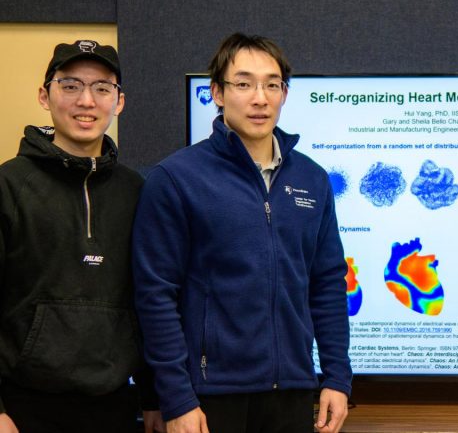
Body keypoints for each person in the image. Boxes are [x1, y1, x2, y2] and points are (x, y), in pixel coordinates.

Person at [132, 33, 352, 433]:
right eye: (244, 83)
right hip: (208, 397)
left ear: (284, 93)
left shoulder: (313, 179)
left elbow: (328, 285)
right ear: (217, 92)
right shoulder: (177, 179)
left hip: (293, 392)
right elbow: (155, 295)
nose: (260, 98)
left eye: (272, 84)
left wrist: (336, 376)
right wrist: (176, 397)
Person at [0, 40, 164, 433]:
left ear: (119, 101)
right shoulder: (9, 185)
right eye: (70, 85)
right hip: (23, 408)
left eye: (102, 88)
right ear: (45, 95)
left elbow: (147, 302)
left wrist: (154, 396)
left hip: (114, 406)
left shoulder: (135, 191)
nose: (86, 101)